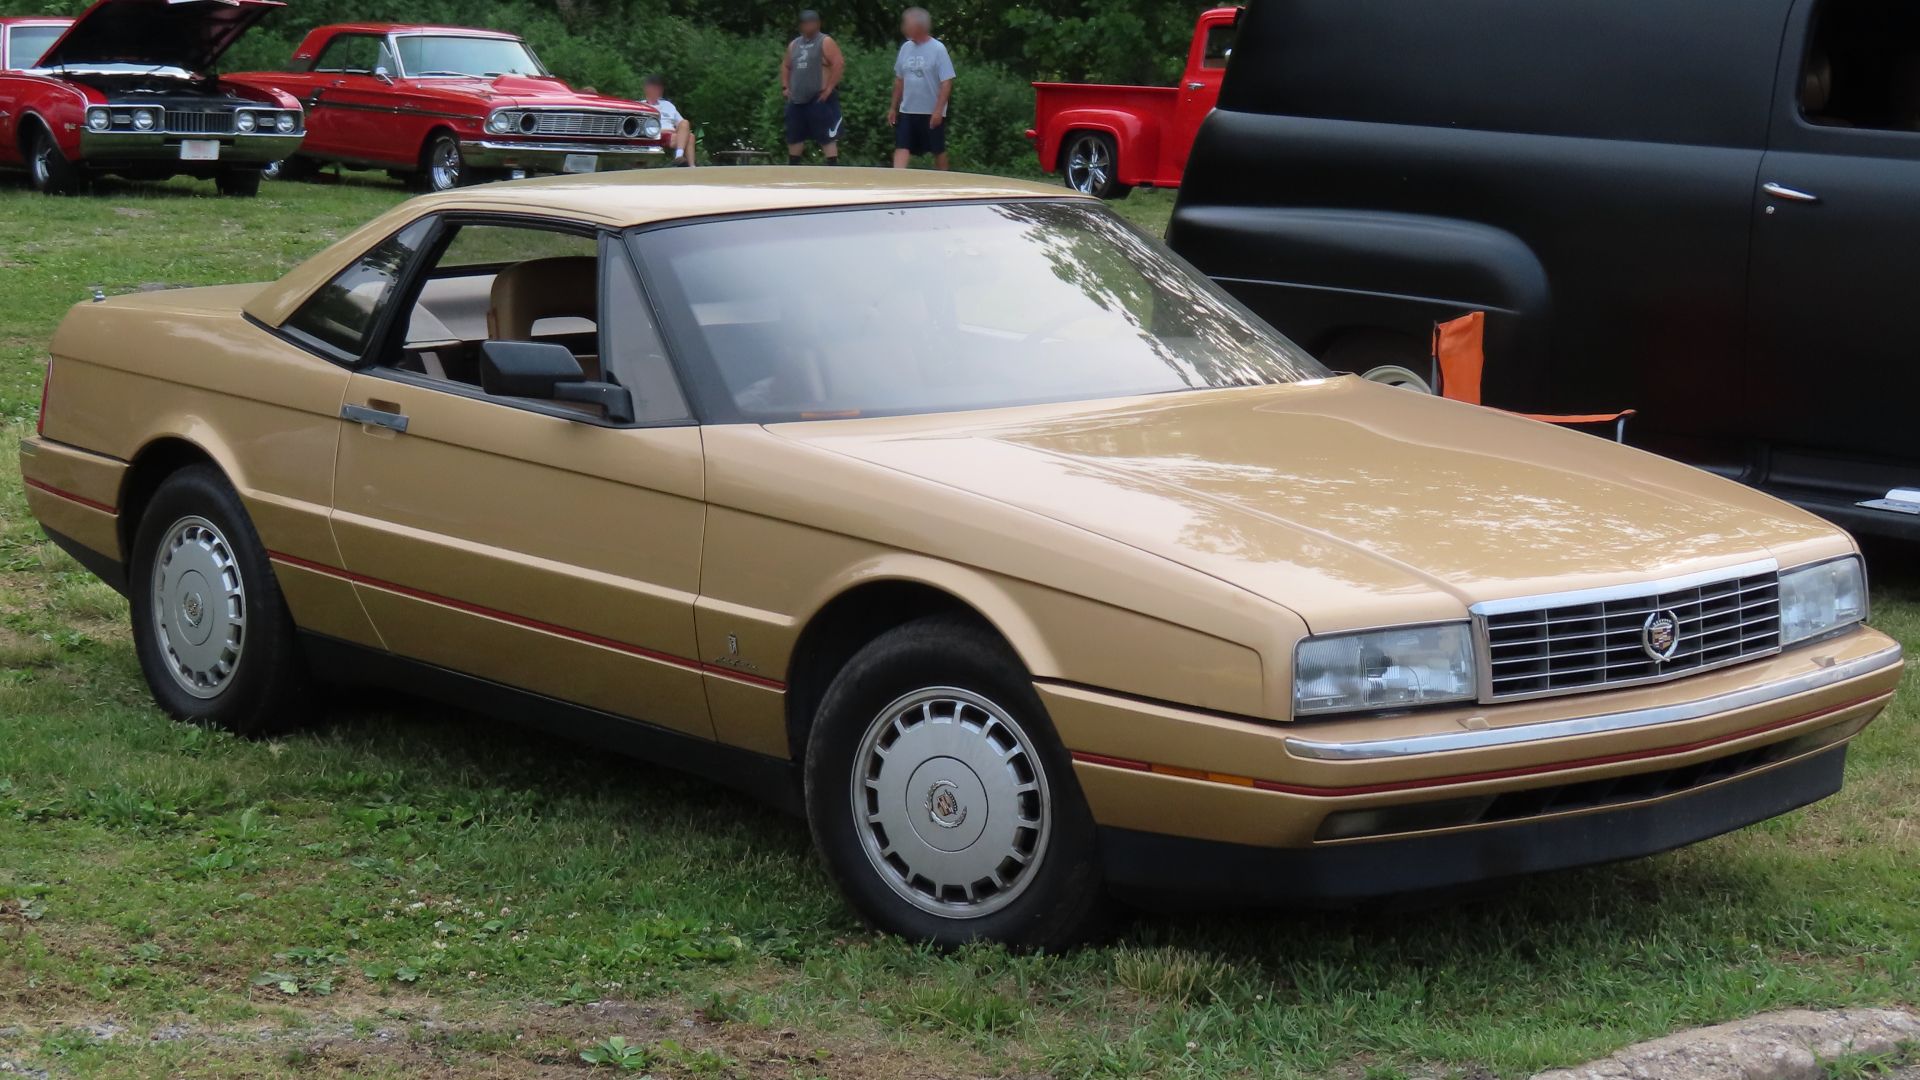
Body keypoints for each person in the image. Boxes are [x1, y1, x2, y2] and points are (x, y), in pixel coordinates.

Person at [887, 7, 954, 170]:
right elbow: (899, 80)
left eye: (907, 24)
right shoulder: (905, 48)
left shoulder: (938, 49)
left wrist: (938, 110)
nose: (903, 28)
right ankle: (897, 181)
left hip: (931, 111)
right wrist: (893, 107)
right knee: (902, 145)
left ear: (919, 27)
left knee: (937, 149)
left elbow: (947, 82)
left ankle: (943, 181)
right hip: (908, 110)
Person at [781, 9, 844, 165]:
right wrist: (785, 87)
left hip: (819, 96)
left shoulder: (825, 41)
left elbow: (838, 63)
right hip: (797, 98)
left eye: (811, 22)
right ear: (800, 26)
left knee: (827, 136)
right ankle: (793, 168)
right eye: (804, 23)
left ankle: (832, 167)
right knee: (795, 135)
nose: (808, 26)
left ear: (818, 24)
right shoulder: (794, 44)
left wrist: (829, 88)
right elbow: (786, 66)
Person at [642, 75, 694, 167]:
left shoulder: (668, 105)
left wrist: (679, 132)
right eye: (655, 87)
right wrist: (666, 131)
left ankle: (688, 164)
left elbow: (681, 124)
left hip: (672, 135)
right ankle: (684, 161)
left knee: (688, 130)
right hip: (655, 134)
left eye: (659, 87)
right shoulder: (640, 105)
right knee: (688, 137)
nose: (658, 90)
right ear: (647, 89)